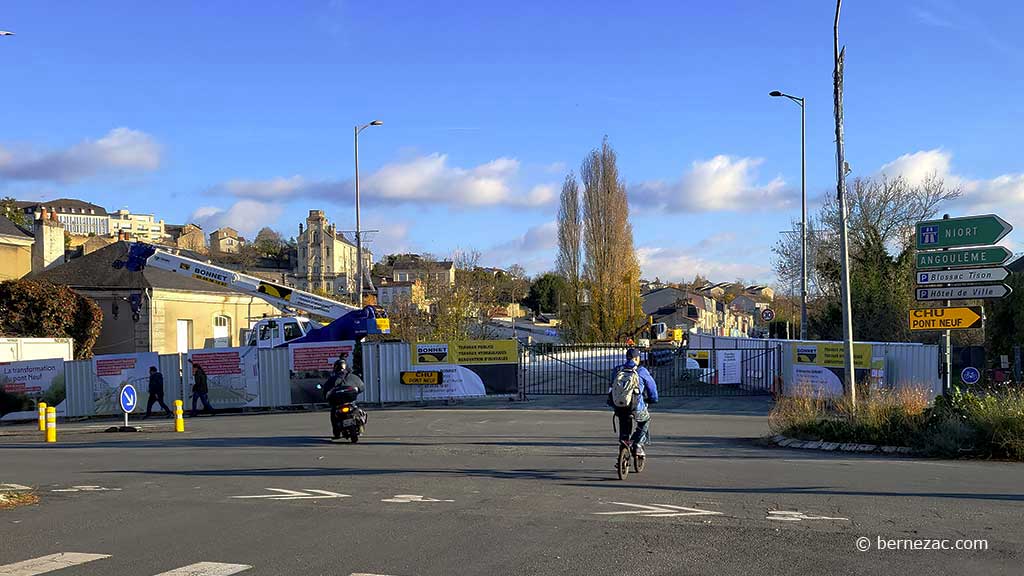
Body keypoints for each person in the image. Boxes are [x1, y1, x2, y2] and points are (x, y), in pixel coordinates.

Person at [608, 348, 659, 459]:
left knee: (624, 422)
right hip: (636, 406)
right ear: (637, 358)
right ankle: (638, 444)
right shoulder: (641, 371)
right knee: (645, 420)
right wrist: (653, 399)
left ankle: (623, 445)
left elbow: (612, 387)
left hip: (619, 405)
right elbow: (652, 388)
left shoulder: (618, 370)